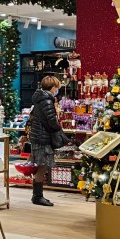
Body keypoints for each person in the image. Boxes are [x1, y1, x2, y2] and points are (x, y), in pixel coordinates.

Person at [28, 75, 68, 207]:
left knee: (41, 166)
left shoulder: (40, 99)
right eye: (57, 87)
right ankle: (37, 196)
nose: (57, 90)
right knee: (42, 166)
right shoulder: (46, 101)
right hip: (43, 138)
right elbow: (51, 121)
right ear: (52, 88)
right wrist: (58, 128)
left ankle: (37, 195)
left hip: (38, 136)